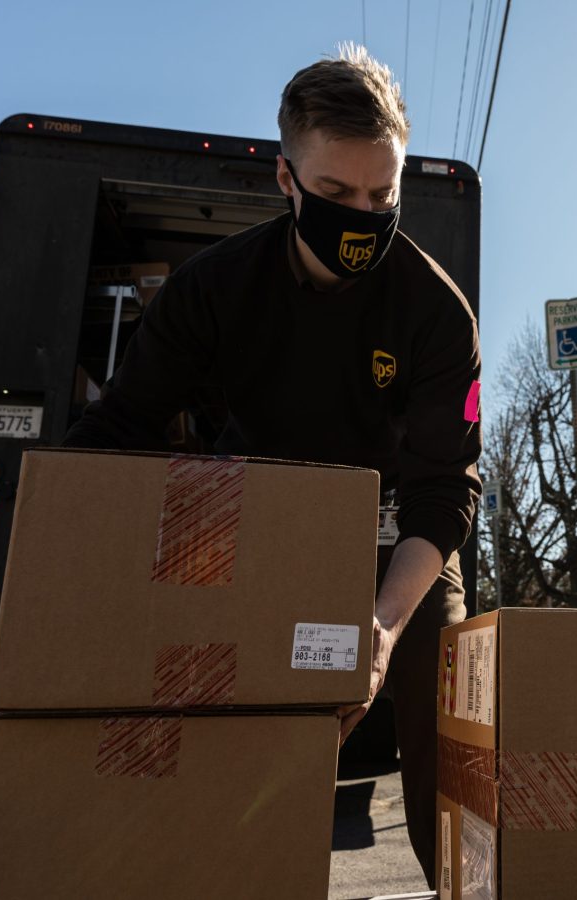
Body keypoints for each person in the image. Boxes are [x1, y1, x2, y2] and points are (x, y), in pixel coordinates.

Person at [62, 45, 481, 885]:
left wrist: (384, 629)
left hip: (395, 538)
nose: (363, 216)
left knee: (452, 712)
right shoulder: (212, 291)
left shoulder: (436, 312)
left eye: (382, 195)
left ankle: (461, 885)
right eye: (335, 194)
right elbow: (121, 431)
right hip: (254, 520)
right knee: (242, 751)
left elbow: (446, 491)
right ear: (286, 179)